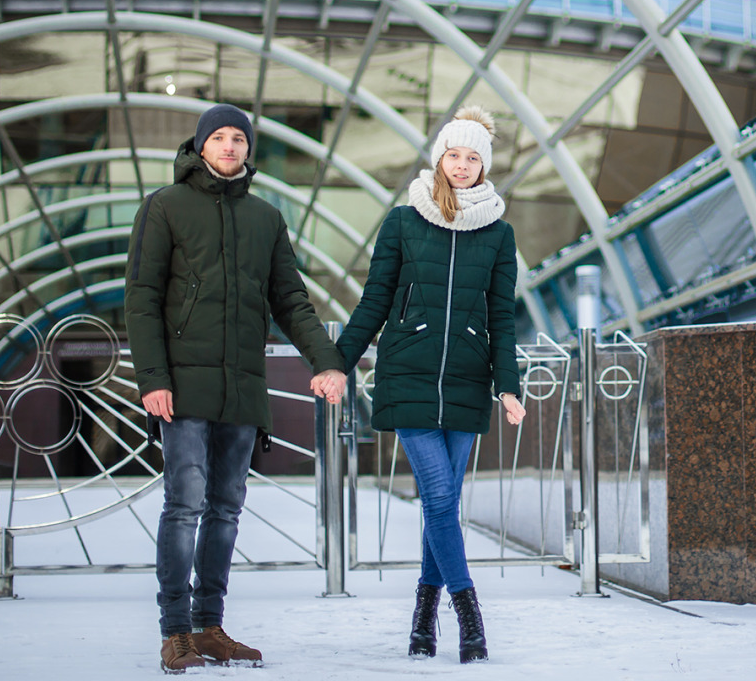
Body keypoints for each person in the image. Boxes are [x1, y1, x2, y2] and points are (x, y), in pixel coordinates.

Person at [126, 103, 348, 674]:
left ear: (249, 150)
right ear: (200, 146)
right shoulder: (164, 208)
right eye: (218, 137)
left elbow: (291, 301)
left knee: (225, 510)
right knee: (186, 505)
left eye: (238, 138)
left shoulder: (265, 218)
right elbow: (142, 298)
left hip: (243, 388)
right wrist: (152, 379)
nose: (229, 146)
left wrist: (327, 361)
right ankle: (175, 631)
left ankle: (210, 626)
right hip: (181, 388)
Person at [333, 106, 524, 665]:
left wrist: (507, 387)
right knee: (440, 498)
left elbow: (503, 317)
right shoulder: (403, 221)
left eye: (473, 158)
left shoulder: (498, 232)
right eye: (453, 154)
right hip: (409, 374)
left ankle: (422, 618)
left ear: (484, 167)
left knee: (441, 506)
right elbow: (374, 300)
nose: (461, 165)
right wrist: (338, 363)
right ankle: (468, 614)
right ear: (438, 157)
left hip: (467, 379)